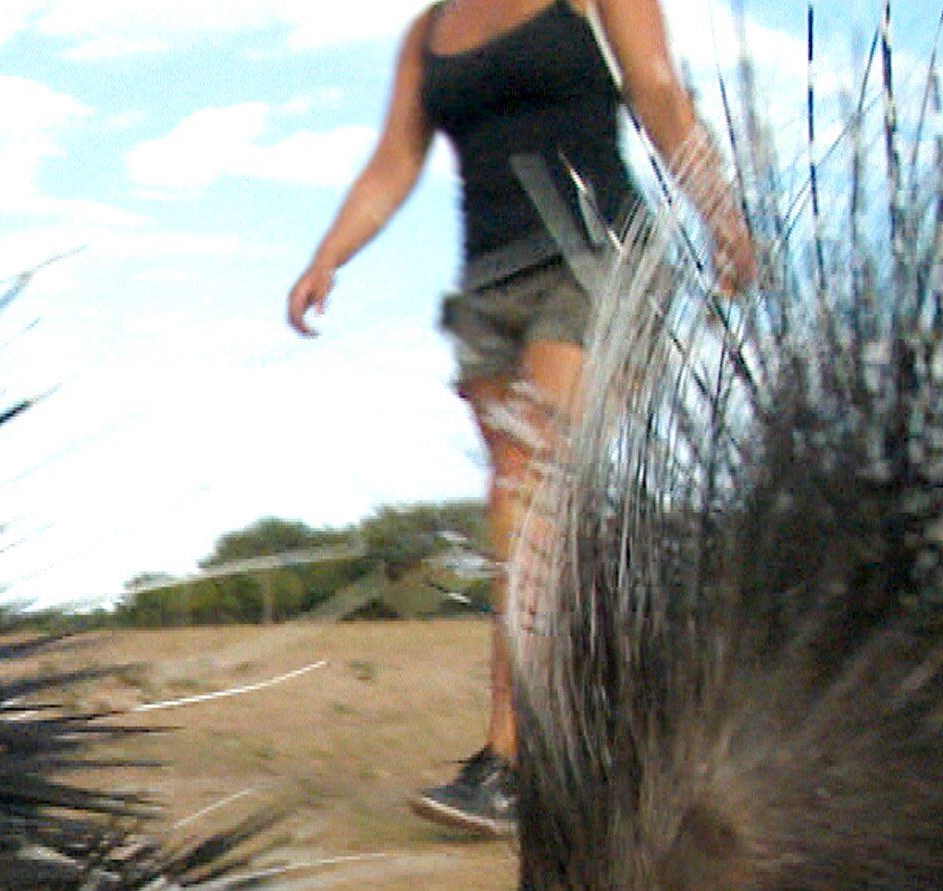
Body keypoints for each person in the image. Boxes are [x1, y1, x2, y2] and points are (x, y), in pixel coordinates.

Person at [286, 0, 754, 837]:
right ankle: (604, 729)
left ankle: (510, 758)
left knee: (528, 489)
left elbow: (655, 91)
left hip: (597, 257)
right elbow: (393, 161)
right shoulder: (428, 31)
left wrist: (720, 215)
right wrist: (327, 256)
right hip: (490, 290)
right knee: (531, 520)